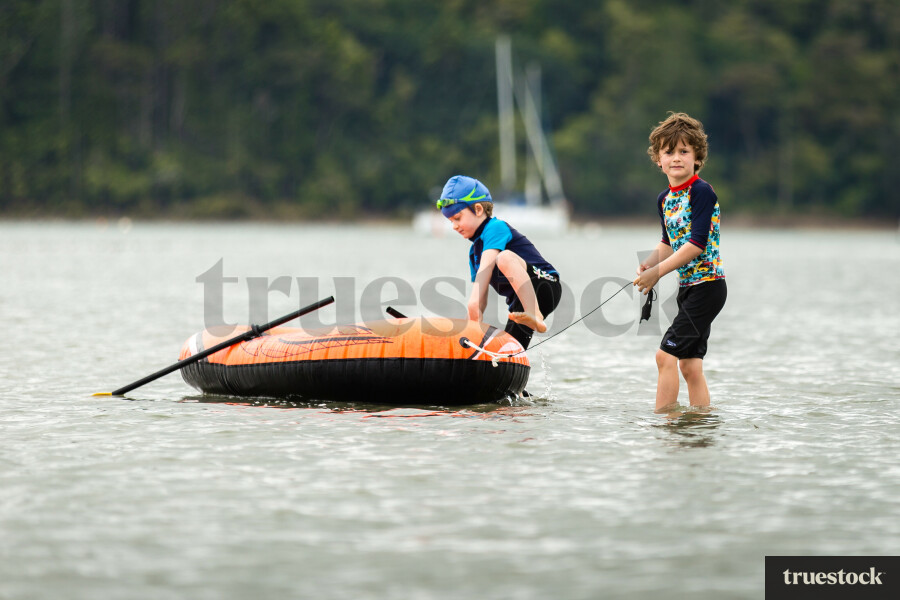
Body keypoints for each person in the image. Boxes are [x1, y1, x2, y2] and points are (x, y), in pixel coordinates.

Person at [633, 113, 727, 412]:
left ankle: (665, 424)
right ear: (658, 160)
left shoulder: (701, 191)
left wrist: (658, 274)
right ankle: (699, 423)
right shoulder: (664, 199)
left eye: (684, 151)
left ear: (697, 158)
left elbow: (696, 245)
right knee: (689, 365)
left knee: (665, 356)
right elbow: (668, 241)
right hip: (688, 288)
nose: (676, 158)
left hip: (708, 287)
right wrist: (649, 265)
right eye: (669, 152)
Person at [436, 175, 561, 350]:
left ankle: (535, 314)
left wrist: (473, 303)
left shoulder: (495, 227)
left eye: (457, 218)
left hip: (545, 284)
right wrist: (468, 337)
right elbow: (479, 304)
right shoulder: (474, 253)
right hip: (521, 302)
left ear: (478, 209)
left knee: (504, 257)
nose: (454, 226)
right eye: (450, 221)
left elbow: (484, 276)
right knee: (510, 351)